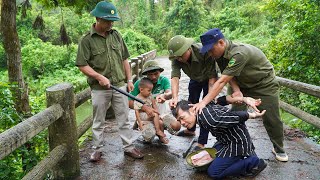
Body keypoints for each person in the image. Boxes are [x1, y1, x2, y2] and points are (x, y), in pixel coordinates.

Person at [193, 28, 288, 162]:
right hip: (241, 83)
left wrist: (203, 102)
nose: (209, 53)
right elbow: (229, 74)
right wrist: (237, 90)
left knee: (271, 117)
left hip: (264, 84)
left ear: (221, 42)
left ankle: (279, 148)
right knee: (234, 115)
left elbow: (221, 81)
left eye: (211, 49)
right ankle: (234, 145)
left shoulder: (239, 53)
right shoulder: (218, 55)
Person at [75, 1, 143, 161]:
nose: (111, 24)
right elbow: (82, 64)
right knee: (98, 120)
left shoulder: (116, 35)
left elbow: (125, 58)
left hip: (120, 84)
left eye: (112, 21)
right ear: (97, 19)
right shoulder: (86, 40)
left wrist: (129, 79)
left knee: (124, 118)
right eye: (107, 20)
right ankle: (97, 150)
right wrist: (99, 76)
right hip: (99, 89)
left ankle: (129, 147)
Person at [172, 98, 267, 179]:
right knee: (212, 155)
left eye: (182, 117)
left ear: (192, 109)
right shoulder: (203, 105)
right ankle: (245, 155)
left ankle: (253, 162)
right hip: (226, 139)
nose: (182, 123)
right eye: (179, 120)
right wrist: (243, 99)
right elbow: (221, 100)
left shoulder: (208, 119)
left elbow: (232, 116)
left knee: (214, 172)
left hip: (237, 141)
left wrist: (251, 115)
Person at [167, 35, 219, 150]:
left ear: (189, 48)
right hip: (195, 79)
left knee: (204, 109)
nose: (179, 59)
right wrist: (174, 97)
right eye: (177, 57)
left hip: (209, 79)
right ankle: (191, 130)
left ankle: (202, 143)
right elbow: (175, 77)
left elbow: (212, 77)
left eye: (181, 55)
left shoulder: (204, 51)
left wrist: (208, 99)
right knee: (190, 104)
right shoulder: (176, 57)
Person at [129, 60, 181, 134]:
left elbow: (169, 93)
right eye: (150, 74)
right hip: (145, 117)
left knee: (176, 126)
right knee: (148, 136)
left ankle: (159, 127)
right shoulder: (139, 84)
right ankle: (148, 128)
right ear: (146, 74)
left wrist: (165, 96)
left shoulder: (164, 80)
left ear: (160, 72)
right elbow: (129, 102)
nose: (153, 77)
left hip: (161, 114)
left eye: (156, 74)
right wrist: (145, 108)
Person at [134, 77, 168, 144]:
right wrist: (140, 122)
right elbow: (136, 112)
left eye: (151, 90)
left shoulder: (150, 95)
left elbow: (154, 105)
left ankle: (161, 138)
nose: (150, 92)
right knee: (154, 114)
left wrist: (158, 113)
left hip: (150, 114)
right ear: (141, 90)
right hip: (143, 116)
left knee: (160, 122)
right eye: (149, 90)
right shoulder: (138, 99)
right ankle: (157, 131)